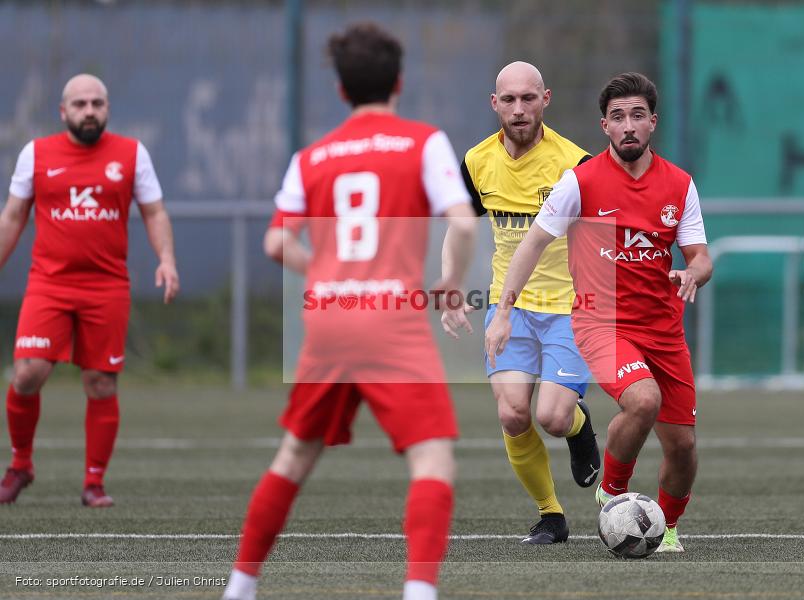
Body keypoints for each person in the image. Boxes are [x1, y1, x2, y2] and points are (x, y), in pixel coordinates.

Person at [222, 23, 477, 600]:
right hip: (391, 317)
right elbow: (462, 221)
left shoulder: (312, 155)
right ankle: (418, 590)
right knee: (432, 457)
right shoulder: (423, 141)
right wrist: (452, 281)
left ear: (340, 90)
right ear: (399, 82)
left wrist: (329, 273)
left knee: (294, 454)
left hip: (329, 318)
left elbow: (275, 242)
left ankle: (240, 585)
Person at [485, 72, 712, 553]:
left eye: (636, 116)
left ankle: (665, 527)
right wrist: (503, 312)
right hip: (599, 323)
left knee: (683, 447)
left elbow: (700, 256)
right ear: (604, 126)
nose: (627, 125)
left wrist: (694, 273)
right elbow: (531, 246)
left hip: (664, 330)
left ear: (653, 122)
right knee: (642, 400)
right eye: (617, 117)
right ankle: (613, 493)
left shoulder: (679, 185)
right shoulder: (580, 183)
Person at [440, 62, 601, 545]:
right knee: (512, 413)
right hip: (508, 309)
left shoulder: (577, 163)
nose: (518, 109)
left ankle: (578, 426)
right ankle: (550, 515)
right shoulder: (476, 161)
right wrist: (451, 284)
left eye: (528, 98)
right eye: (508, 100)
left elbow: (602, 241)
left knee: (552, 417)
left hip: (569, 308)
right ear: (495, 104)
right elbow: (460, 228)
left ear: (545, 99)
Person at [0, 74, 179, 508]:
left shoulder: (132, 155)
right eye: (79, 104)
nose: (89, 111)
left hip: (106, 286)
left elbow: (154, 213)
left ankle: (94, 482)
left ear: (108, 108)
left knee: (100, 383)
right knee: (27, 374)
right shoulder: (36, 154)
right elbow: (13, 217)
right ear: (63, 112)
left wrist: (167, 260)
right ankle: (21, 464)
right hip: (50, 284)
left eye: (97, 103)